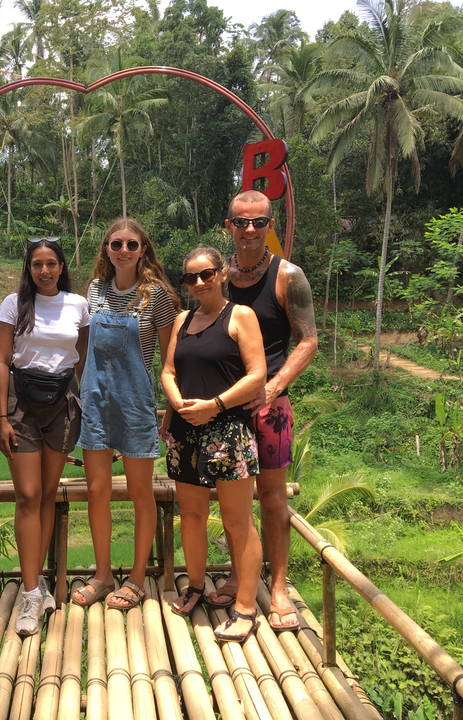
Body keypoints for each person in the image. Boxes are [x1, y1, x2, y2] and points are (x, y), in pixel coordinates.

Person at [208, 190, 318, 632]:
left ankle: (277, 587)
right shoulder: (218, 277)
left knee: (272, 499)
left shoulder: (287, 276)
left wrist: (274, 386)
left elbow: (308, 339)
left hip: (268, 408)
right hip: (226, 407)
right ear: (228, 226)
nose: (250, 230)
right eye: (241, 222)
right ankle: (239, 576)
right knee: (233, 501)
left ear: (270, 225)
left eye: (259, 222)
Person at [71, 218, 179, 610]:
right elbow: (84, 352)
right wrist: (84, 389)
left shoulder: (158, 296)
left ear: (143, 250)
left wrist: (168, 410)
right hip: (97, 404)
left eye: (132, 245)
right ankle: (102, 575)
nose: (123, 251)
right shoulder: (95, 291)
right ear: (106, 250)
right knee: (97, 492)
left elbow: (169, 360)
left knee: (139, 493)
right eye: (115, 244)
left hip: (136, 406)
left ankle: (135, 579)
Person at [161, 247, 266, 642]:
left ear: (223, 274)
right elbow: (169, 371)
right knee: (191, 515)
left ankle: (244, 606)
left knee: (238, 520)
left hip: (228, 432)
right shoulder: (181, 320)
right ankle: (195, 586)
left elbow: (257, 375)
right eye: (190, 278)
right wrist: (176, 400)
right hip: (186, 431)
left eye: (206, 274)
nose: (199, 283)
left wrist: (216, 405)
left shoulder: (240, 316)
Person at [0, 239, 89, 636]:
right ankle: (30, 592)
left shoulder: (78, 305)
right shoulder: (13, 304)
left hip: (62, 403)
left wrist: (94, 410)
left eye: (51, 264)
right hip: (21, 405)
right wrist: (0, 416)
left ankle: (39, 581)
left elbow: (83, 362)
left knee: (48, 494)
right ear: (28, 268)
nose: (45, 271)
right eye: (37, 264)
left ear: (62, 266)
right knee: (28, 495)